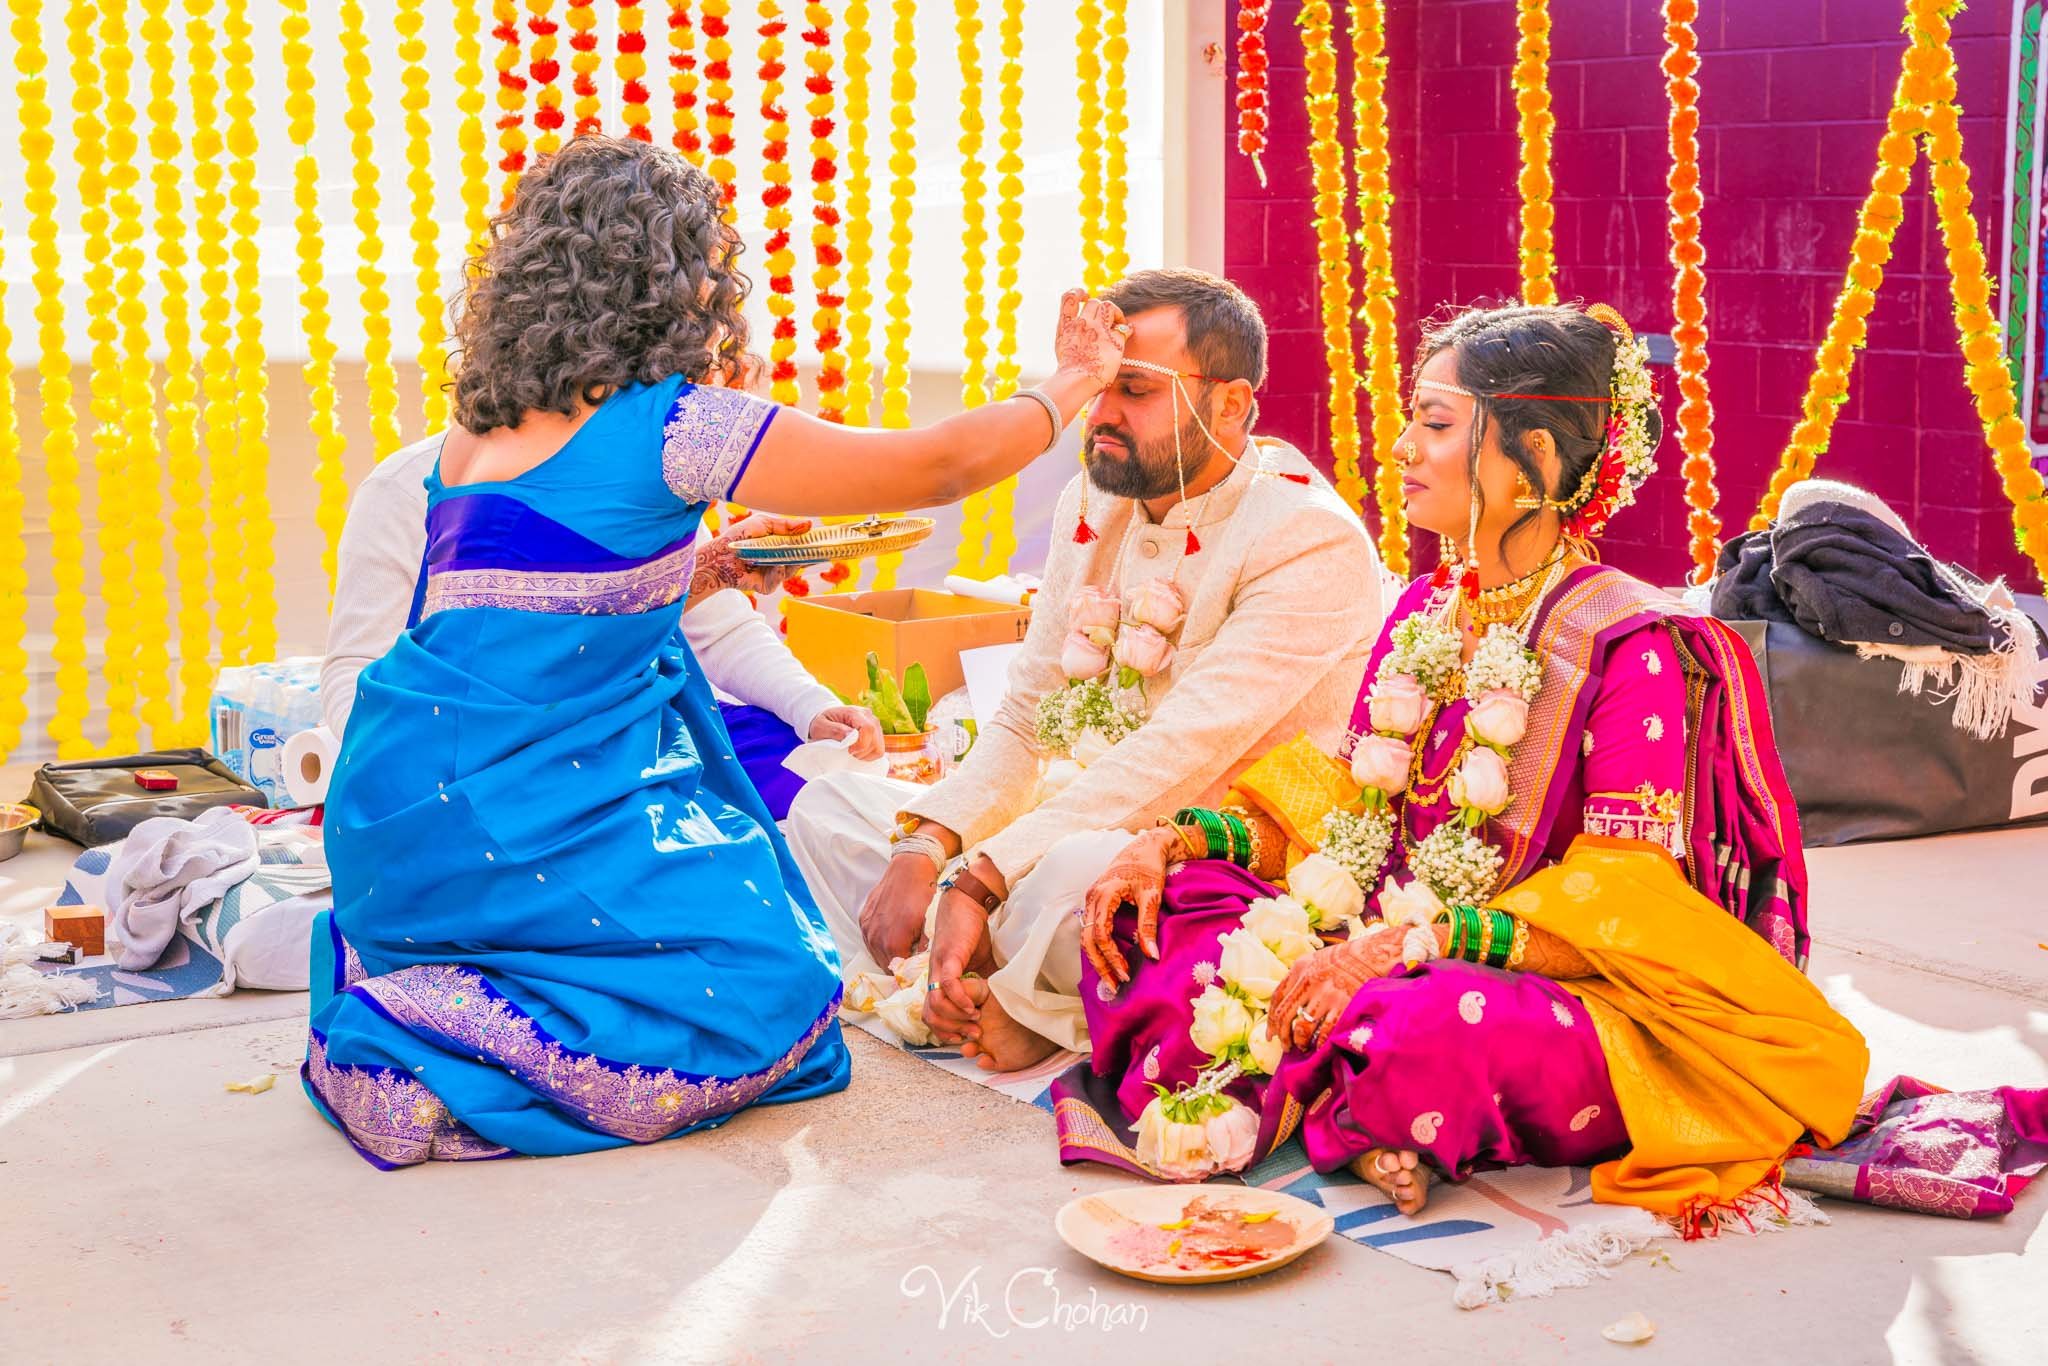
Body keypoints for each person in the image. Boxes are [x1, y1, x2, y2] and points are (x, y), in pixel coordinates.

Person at [303, 134, 1132, 1166]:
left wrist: (702, 571)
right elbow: (937, 463)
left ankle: (433, 995)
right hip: (512, 824)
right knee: (776, 995)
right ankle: (411, 1046)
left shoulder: (476, 433)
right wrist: (1069, 382)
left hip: (394, 828)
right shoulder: (676, 428)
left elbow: (538, 609)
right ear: (671, 276)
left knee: (739, 904)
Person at [1053, 301, 1889, 1230]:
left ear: (1530, 458)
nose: (1403, 447)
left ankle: (1343, 1083)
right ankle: (1354, 1105)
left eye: (1436, 424)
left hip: (1530, 979)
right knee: (1156, 911)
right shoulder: (1420, 610)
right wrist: (1172, 839)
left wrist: (1407, 946)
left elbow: (1624, 905)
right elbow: (1349, 809)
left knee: (1422, 1031)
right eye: (1412, 420)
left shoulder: (1631, 643)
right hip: (1370, 932)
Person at [786, 268, 1385, 1075]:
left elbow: (1179, 753)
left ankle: (1013, 986)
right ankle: (981, 974)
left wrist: (980, 878)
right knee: (832, 804)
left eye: (1131, 388)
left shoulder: (1308, 539)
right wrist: (931, 846)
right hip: (1071, 817)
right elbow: (1029, 710)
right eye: (1096, 386)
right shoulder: (1092, 501)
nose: (1098, 414)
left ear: (1232, 404)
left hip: (1199, 854)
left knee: (1079, 873)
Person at [320, 357, 883, 823]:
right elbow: (356, 675)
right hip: (490, 767)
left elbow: (721, 632)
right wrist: (408, 789)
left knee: (825, 800)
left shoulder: (640, 474)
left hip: (653, 732)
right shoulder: (400, 491)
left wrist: (812, 706)